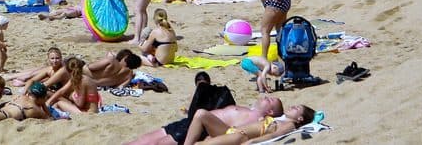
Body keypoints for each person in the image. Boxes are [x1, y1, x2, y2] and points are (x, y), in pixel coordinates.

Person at [128, 95, 285, 145]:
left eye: (270, 100)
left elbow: (234, 134)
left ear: (270, 112)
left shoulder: (258, 119)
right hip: (189, 122)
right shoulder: (249, 109)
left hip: (200, 130)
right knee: (142, 140)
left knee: (158, 144)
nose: (266, 97)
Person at [183, 103, 315, 145]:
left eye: (296, 109)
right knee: (201, 113)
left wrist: (252, 142)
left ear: (300, 119)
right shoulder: (280, 119)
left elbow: (273, 136)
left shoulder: (290, 125)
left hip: (240, 137)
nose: (292, 107)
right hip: (230, 130)